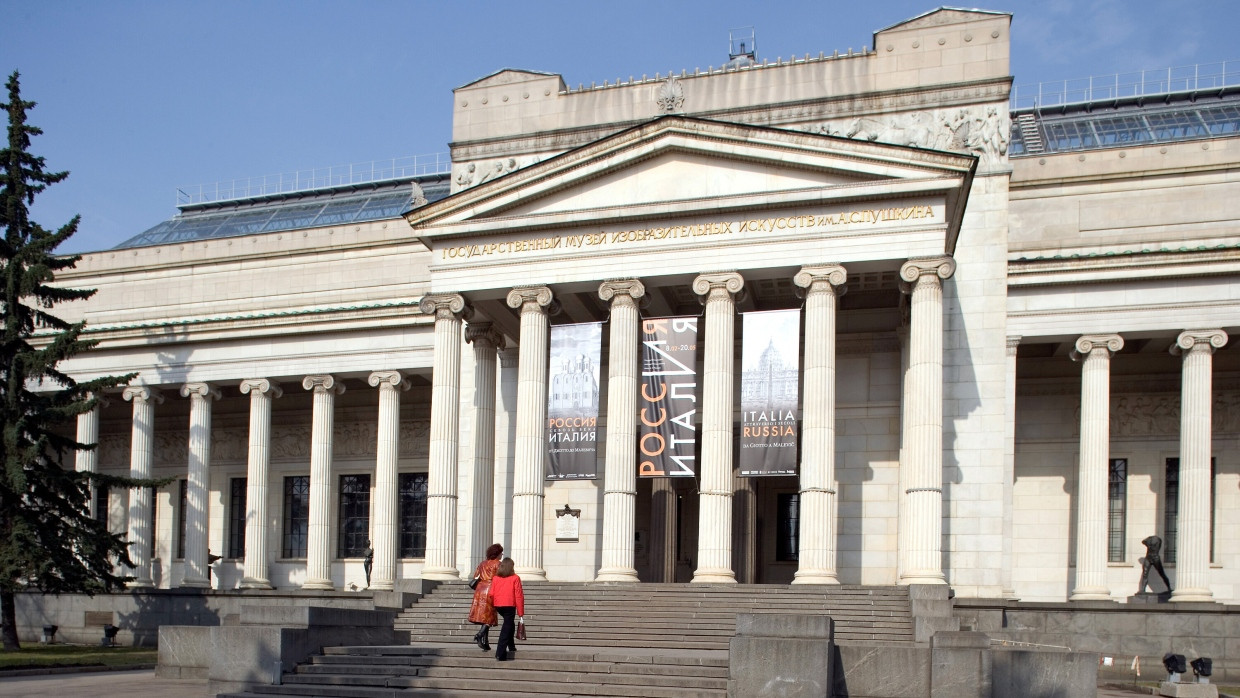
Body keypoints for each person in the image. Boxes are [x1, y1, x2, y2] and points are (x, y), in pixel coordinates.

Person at [488, 557, 525, 661]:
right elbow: (519, 595)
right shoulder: (515, 578)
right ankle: (500, 652)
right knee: (506, 628)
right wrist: (520, 613)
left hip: (498, 605)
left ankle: (511, 646)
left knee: (509, 624)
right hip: (509, 605)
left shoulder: (496, 578)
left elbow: (491, 593)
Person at [467, 543, 503, 650]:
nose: (502, 555)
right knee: (489, 616)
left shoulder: (482, 563)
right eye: (501, 553)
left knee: (484, 617)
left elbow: (475, 576)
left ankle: (485, 642)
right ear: (497, 553)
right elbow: (500, 578)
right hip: (491, 589)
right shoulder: (499, 564)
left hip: (480, 590)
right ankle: (479, 635)